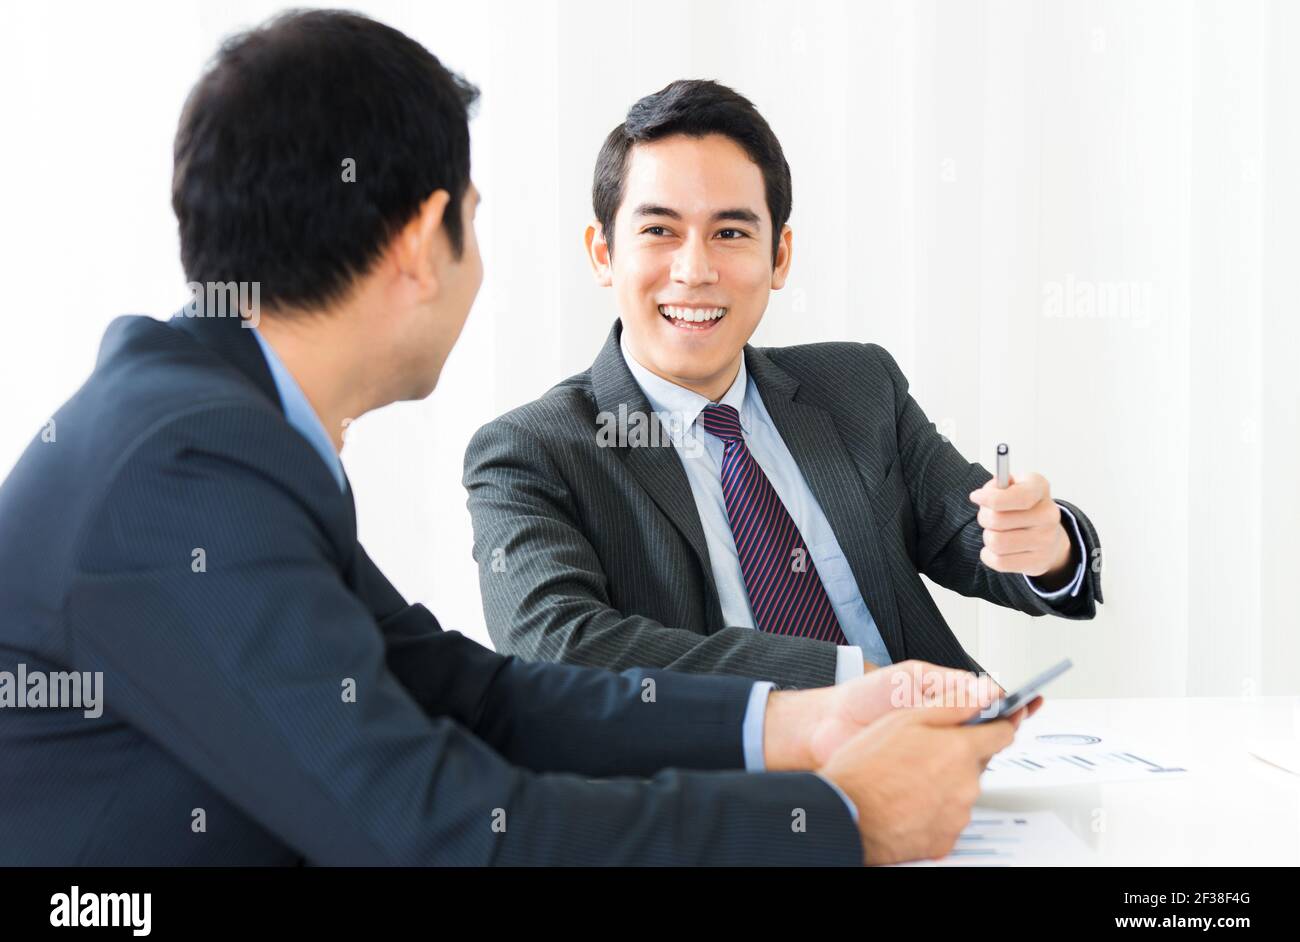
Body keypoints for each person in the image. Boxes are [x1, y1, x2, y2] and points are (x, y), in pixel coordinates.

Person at [0, 10, 1028, 867]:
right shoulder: (190, 467)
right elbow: (437, 826)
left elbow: (467, 692)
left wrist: (791, 721)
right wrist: (839, 819)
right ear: (419, 240)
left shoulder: (208, 429)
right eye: (476, 221)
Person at [464, 79, 1103, 689]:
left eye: (731, 233)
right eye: (659, 231)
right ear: (603, 254)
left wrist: (1046, 545)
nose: (694, 270)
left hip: (943, 763)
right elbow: (562, 651)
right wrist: (848, 685)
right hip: (732, 787)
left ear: (780, 258)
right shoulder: (531, 452)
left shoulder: (857, 387)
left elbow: (975, 537)